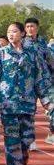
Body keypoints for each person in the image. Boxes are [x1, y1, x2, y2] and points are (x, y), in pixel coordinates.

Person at [0, 22, 53, 165]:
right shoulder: (1, 53)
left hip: (28, 104)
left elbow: (41, 78)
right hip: (8, 104)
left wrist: (46, 99)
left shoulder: (33, 54)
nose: (11, 34)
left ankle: (19, 164)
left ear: (22, 34)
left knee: (26, 142)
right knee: (12, 142)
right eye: (8, 32)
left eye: (14, 31)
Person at [23, 17, 54, 149]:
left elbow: (50, 61)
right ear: (25, 29)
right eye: (28, 26)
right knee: (29, 111)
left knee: (52, 106)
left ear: (37, 28)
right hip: (28, 82)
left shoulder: (42, 43)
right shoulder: (22, 44)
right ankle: (30, 140)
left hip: (45, 82)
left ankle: (52, 133)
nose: (30, 29)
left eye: (32, 26)